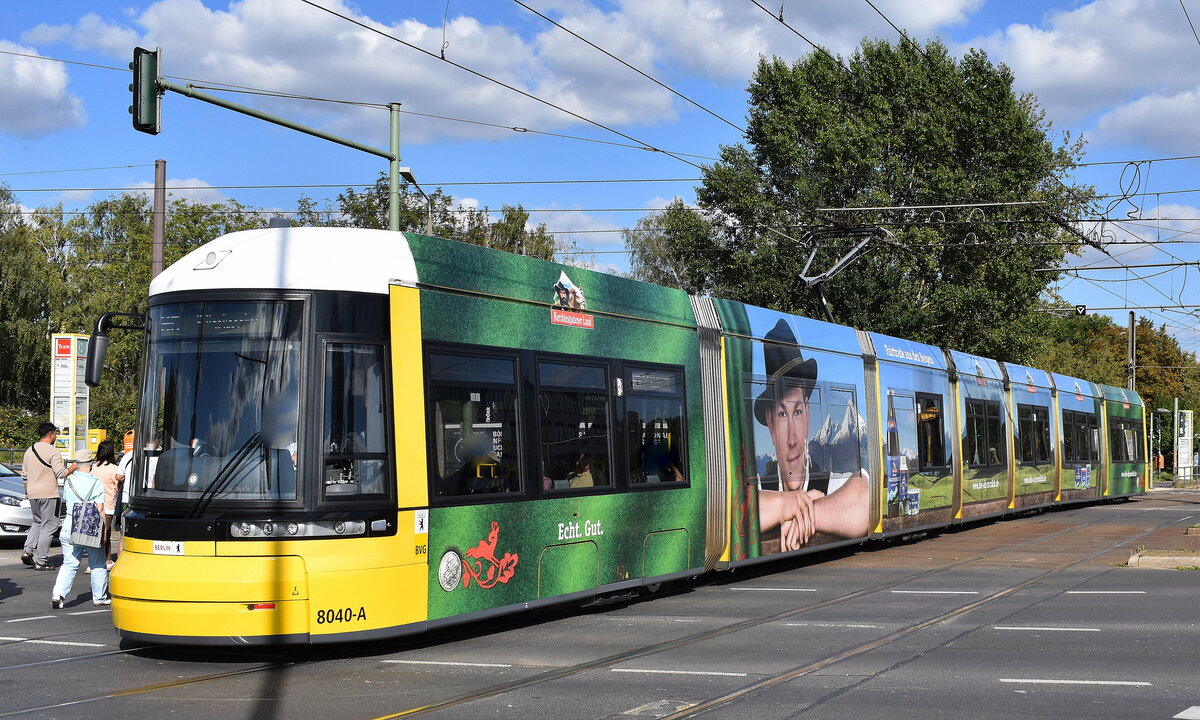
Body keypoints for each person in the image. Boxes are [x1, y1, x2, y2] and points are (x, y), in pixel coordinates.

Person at [753, 319, 869, 551]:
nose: (793, 438)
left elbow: (866, 495)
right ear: (770, 424)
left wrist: (809, 512)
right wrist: (784, 504)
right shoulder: (756, 484)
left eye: (796, 412)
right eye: (781, 415)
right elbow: (725, 510)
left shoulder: (831, 482)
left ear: (807, 413)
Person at [52, 449, 109, 609]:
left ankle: (58, 595)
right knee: (97, 562)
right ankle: (99, 597)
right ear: (91, 463)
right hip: (90, 528)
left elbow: (67, 502)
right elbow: (100, 509)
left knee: (69, 563)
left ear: (76, 464)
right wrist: (104, 531)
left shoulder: (69, 482)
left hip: (70, 525)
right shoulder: (95, 482)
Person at [20, 422, 77, 571]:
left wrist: (28, 491)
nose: (56, 437)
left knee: (37, 522)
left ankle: (27, 551)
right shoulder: (53, 451)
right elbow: (61, 473)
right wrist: (72, 468)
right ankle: (42, 560)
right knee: (49, 525)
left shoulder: (29, 450)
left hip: (32, 493)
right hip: (48, 493)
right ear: (51, 434)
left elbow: (24, 475)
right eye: (55, 434)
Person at [92, 440, 121, 569]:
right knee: (106, 534)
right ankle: (107, 559)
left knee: (95, 533)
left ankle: (95, 559)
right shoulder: (114, 468)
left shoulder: (93, 467)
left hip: (93, 505)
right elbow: (117, 487)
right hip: (108, 504)